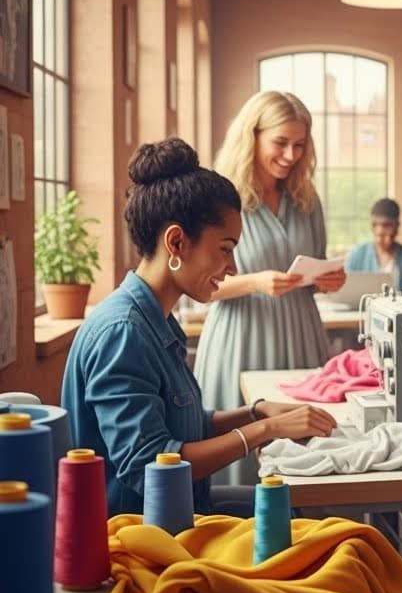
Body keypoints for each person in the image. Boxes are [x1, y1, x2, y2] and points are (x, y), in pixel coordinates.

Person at [62, 139, 336, 516]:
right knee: (326, 537)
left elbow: (184, 427)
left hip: (180, 511)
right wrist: (265, 431)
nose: (234, 267)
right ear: (176, 241)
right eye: (225, 248)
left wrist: (257, 412)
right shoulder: (123, 332)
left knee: (304, 517)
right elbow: (151, 466)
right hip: (138, 538)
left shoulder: (154, 319)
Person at [193, 91, 345, 485]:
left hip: (301, 332)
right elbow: (201, 286)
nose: (291, 155)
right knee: (241, 448)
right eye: (281, 142)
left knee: (304, 445)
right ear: (253, 135)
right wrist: (256, 282)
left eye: (300, 144)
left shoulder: (307, 201)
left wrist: (328, 281)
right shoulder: (218, 197)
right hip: (241, 336)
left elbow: (312, 269)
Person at [344, 198, 402, 291]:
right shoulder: (357, 255)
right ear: (372, 227)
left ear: (397, 226)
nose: (387, 241)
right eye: (381, 236)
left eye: (391, 235)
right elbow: (346, 289)